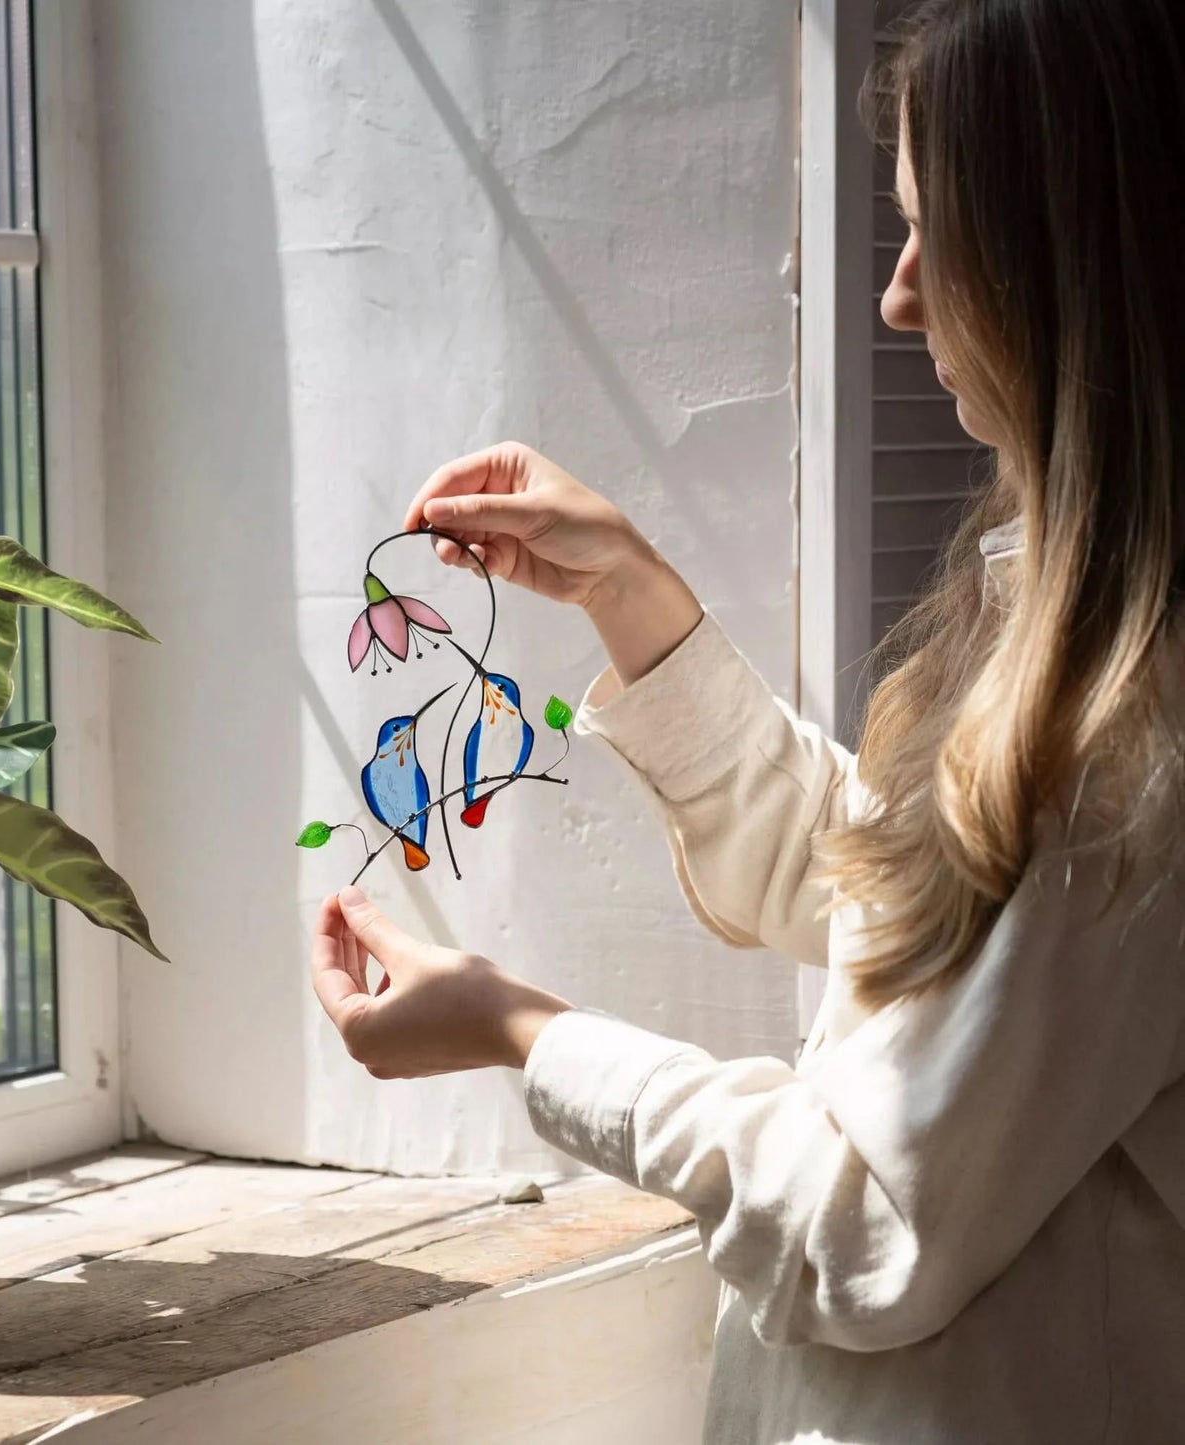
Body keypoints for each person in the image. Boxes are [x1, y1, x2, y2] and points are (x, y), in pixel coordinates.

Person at [311, 2, 1185, 1439]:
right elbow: (900, 902)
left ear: (1067, 265)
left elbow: (864, 1221)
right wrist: (634, 601)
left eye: (938, 236)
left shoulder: (1136, 740)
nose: (898, 298)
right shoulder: (1059, 637)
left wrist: (524, 1032)